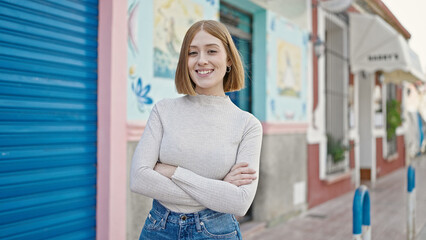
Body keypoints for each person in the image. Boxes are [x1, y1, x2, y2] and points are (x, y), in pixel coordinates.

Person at [130, 20, 263, 240]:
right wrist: (219, 189)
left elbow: (240, 202)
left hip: (217, 232)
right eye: (192, 53)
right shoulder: (163, 110)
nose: (201, 60)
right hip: (159, 229)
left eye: (211, 51)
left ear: (229, 58)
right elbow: (139, 179)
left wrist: (173, 172)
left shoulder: (247, 125)